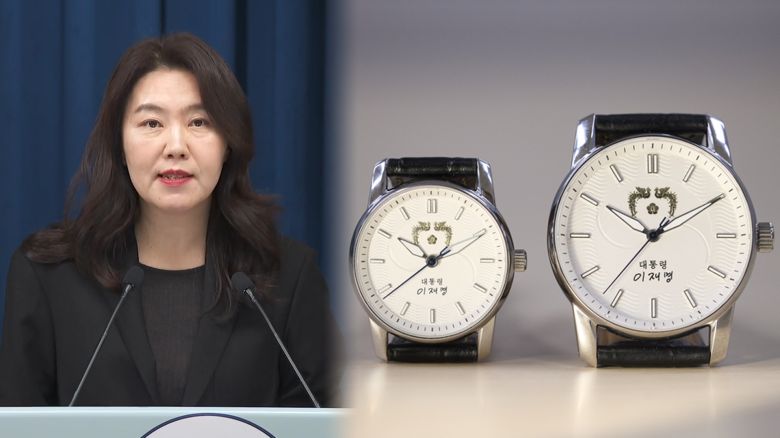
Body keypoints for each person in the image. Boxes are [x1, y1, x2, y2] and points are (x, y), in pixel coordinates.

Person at [0, 33, 337, 407]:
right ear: (119, 145)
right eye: (151, 123)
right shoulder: (48, 276)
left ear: (228, 143)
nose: (176, 147)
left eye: (199, 122)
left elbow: (323, 421)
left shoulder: (288, 277)